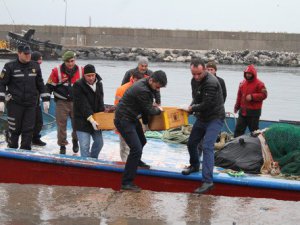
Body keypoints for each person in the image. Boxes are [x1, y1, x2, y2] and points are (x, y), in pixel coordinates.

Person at [114, 70, 168, 192]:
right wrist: (159, 109)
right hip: (123, 119)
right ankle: (126, 182)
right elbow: (149, 110)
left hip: (132, 118)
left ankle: (136, 161)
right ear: (151, 80)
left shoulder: (149, 83)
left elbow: (156, 92)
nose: (158, 89)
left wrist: (158, 99)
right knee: (136, 148)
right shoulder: (142, 90)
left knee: (142, 141)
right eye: (157, 86)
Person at [181, 59, 225, 194]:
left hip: (215, 117)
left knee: (207, 146)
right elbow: (196, 98)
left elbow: (207, 104)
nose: (196, 77)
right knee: (191, 143)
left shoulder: (211, 83)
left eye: (198, 74)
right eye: (193, 74)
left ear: (204, 70)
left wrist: (191, 108)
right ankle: (194, 165)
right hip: (202, 117)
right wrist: (190, 108)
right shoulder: (194, 80)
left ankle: (207, 181)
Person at [0, 44, 50, 150]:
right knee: (15, 129)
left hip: (31, 104)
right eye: (25, 54)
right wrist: (1, 100)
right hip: (15, 104)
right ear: (19, 53)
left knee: (28, 130)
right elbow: (2, 84)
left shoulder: (35, 66)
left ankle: (25, 151)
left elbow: (40, 84)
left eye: (29, 54)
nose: (28, 56)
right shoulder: (9, 66)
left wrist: (46, 99)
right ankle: (12, 149)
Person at [46, 51, 83, 154]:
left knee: (77, 124)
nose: (70, 64)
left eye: (72, 61)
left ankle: (75, 141)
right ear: (64, 61)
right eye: (68, 62)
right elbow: (49, 86)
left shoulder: (81, 70)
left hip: (76, 102)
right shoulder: (56, 71)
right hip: (61, 102)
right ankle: (62, 145)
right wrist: (46, 100)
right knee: (61, 125)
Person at [73, 64, 105, 158]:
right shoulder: (78, 85)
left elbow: (100, 102)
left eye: (93, 75)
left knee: (99, 143)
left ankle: (93, 159)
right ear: (84, 75)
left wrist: (103, 118)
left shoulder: (99, 84)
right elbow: (83, 104)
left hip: (96, 119)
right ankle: (85, 163)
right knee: (84, 146)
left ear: (95, 74)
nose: (91, 78)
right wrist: (91, 119)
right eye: (88, 76)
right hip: (82, 120)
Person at [114, 70, 144, 162]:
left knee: (136, 145)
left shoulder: (143, 89)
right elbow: (117, 108)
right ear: (133, 78)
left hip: (136, 122)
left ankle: (135, 162)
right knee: (125, 147)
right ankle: (125, 164)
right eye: (137, 80)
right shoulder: (122, 89)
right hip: (124, 121)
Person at [233, 64, 267, 138]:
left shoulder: (260, 84)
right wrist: (236, 106)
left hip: (253, 113)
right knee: (238, 130)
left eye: (250, 74)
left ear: (253, 74)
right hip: (243, 112)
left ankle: (258, 146)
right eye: (247, 73)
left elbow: (264, 95)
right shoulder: (242, 83)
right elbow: (239, 96)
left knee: (254, 132)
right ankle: (235, 146)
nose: (248, 75)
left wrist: (252, 97)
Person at [31, 51, 46, 146]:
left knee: (39, 121)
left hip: (36, 100)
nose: (42, 61)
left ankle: (35, 138)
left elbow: (40, 84)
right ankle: (32, 138)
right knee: (31, 121)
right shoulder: (33, 67)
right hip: (30, 100)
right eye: (40, 58)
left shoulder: (37, 68)